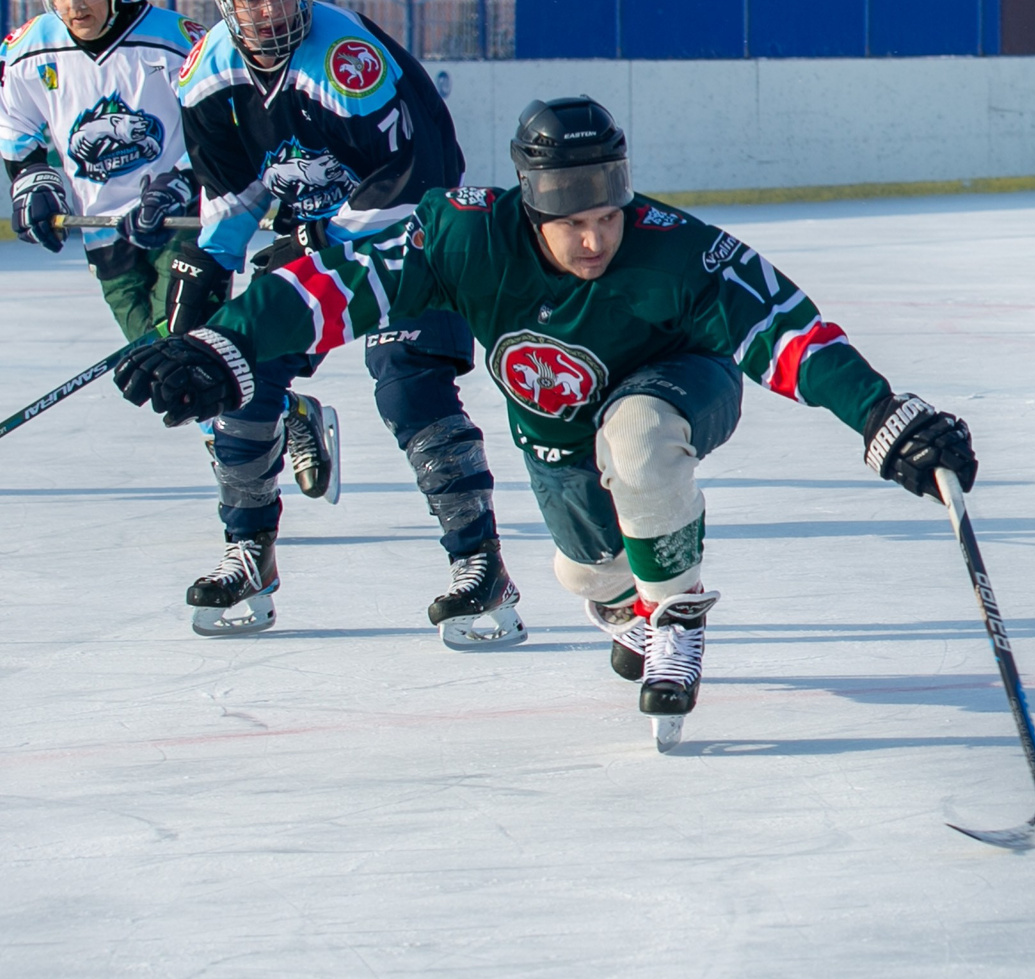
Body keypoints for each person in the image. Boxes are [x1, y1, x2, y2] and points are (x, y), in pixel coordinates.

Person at [115, 96, 978, 749]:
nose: (595, 240)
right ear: (531, 205)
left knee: (639, 442)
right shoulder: (466, 235)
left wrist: (885, 416)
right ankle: (631, 609)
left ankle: (679, 620)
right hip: (554, 425)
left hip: (681, 383)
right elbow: (340, 281)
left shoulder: (679, 250)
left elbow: (791, 332)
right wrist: (220, 345)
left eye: (607, 218)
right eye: (572, 225)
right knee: (588, 573)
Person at [169, 0, 513, 643]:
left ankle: (479, 564)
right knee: (244, 369)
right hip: (314, 237)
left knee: (409, 384)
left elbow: (417, 180)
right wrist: (207, 276)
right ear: (224, 1)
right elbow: (234, 193)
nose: (270, 11)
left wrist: (323, 235)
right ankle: (248, 553)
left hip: (409, 238)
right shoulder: (207, 73)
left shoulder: (348, 60)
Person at [3, 0, 206, 341]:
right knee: (154, 369)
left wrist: (183, 180)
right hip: (102, 228)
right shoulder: (29, 49)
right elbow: (15, 122)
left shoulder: (178, 42)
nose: (74, 5)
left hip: (181, 220)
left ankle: (267, 405)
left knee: (185, 357)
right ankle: (285, 408)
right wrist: (32, 177)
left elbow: (220, 127)